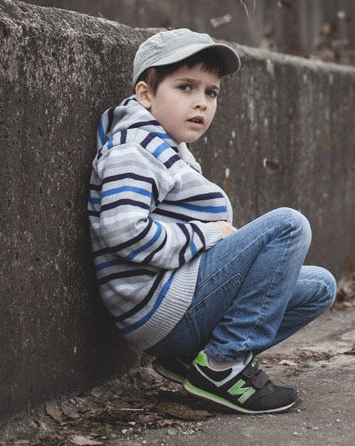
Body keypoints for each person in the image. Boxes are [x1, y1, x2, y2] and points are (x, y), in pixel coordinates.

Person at [87, 28, 336, 414]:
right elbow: (124, 232)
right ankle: (223, 366)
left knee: (320, 287)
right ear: (145, 94)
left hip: (178, 309)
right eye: (185, 87)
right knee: (288, 225)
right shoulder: (133, 150)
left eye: (211, 92)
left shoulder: (168, 148)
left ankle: (192, 360)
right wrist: (207, 235)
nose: (201, 103)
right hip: (161, 308)